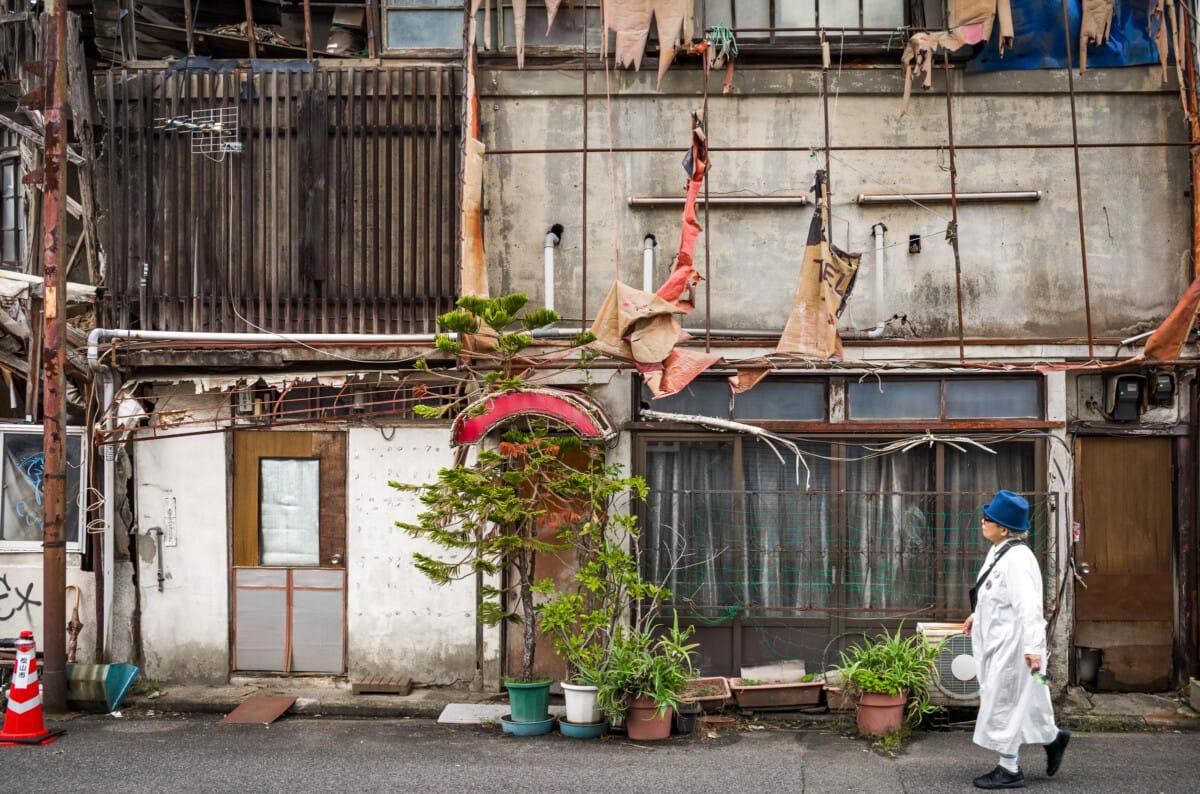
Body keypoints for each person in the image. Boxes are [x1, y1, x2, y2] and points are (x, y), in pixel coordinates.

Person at [962, 489, 1070, 790]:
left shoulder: (1019, 559)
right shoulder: (999, 551)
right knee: (1030, 698)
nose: (983, 521)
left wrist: (1034, 650)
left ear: (1004, 528)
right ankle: (1053, 737)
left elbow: (1029, 608)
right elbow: (995, 595)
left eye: (990, 519)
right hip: (1001, 642)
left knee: (1004, 702)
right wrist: (976, 616)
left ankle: (1009, 768)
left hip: (1015, 649)